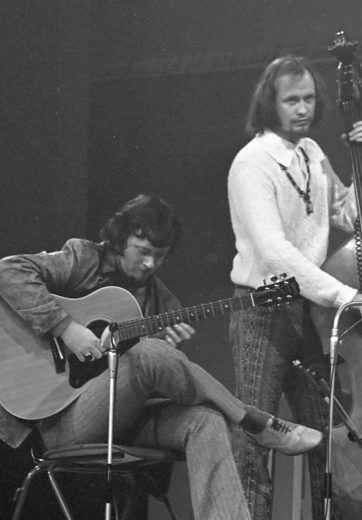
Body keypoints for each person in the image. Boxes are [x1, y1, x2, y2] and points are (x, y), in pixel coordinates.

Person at [0, 194, 321, 520]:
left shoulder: (162, 303)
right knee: (150, 353)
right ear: (120, 239)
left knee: (205, 421)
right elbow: (9, 270)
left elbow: (159, 384)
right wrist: (66, 327)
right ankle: (252, 419)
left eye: (160, 255)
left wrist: (164, 348)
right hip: (59, 420)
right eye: (142, 251)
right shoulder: (85, 259)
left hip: (121, 419)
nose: (150, 264)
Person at [227, 54, 362, 519]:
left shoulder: (312, 152)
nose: (303, 108)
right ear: (270, 104)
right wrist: (345, 296)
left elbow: (351, 217)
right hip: (263, 312)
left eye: (309, 99)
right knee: (256, 435)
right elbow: (275, 251)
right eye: (291, 100)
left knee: (326, 435)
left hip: (310, 309)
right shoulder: (252, 163)